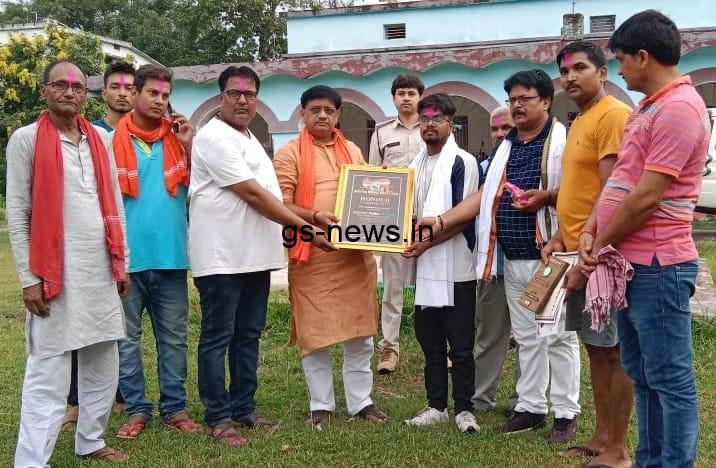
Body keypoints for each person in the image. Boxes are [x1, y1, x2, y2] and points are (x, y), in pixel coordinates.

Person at [582, 10, 709, 467]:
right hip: (633, 263)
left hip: (659, 264)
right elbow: (621, 180)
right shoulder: (649, 107)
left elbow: (647, 197)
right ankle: (651, 459)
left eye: (620, 60)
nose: (619, 69)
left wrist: (600, 243)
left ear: (642, 56)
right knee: (643, 372)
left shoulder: (679, 108)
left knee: (669, 379)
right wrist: (591, 229)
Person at [431, 70, 581, 440]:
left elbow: (583, 192)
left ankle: (566, 413)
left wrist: (546, 198)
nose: (516, 105)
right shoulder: (506, 147)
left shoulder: (564, 142)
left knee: (558, 336)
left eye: (524, 98)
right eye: (512, 99)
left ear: (546, 101)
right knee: (528, 337)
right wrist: (440, 222)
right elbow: (485, 196)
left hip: (554, 256)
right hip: (511, 259)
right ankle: (531, 407)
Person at [191, 67, 335, 446]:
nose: (243, 100)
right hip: (222, 258)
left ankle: (244, 408)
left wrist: (312, 217)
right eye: (235, 93)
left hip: (254, 257)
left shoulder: (250, 137)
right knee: (218, 337)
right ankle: (218, 417)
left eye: (250, 94)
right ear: (221, 97)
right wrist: (307, 231)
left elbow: (270, 196)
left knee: (248, 336)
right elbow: (254, 195)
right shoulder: (213, 137)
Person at [8, 60, 130, 465]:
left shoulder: (100, 138)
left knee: (104, 361)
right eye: (60, 85)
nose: (69, 92)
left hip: (100, 268)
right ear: (44, 91)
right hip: (53, 272)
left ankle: (90, 440)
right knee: (49, 367)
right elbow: (19, 213)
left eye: (77, 87)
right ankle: (31, 460)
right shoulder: (26, 139)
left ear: (85, 96)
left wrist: (122, 262)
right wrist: (29, 278)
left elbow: (115, 202)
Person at [273, 85, 388, 429]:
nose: (322, 115)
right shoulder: (289, 154)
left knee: (361, 334)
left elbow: (369, 195)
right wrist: (314, 218)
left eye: (329, 110)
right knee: (314, 336)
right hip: (312, 256)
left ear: (337, 115)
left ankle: (361, 401)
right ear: (303, 113)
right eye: (315, 109)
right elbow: (281, 204)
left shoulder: (352, 150)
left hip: (354, 258)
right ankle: (320, 404)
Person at [542, 41, 635, 463]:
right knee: (596, 348)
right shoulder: (581, 119)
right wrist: (560, 237)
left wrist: (589, 252)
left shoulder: (613, 115)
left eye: (580, 68)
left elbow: (613, 190)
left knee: (614, 351)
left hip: (602, 256)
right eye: (565, 71)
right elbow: (580, 190)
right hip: (577, 251)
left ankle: (618, 447)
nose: (570, 77)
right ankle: (600, 437)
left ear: (603, 72)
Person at [111, 64, 202, 440]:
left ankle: (174, 408)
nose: (160, 101)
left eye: (166, 95)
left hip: (171, 258)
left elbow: (204, 185)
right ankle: (136, 409)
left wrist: (189, 144)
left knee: (174, 340)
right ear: (135, 94)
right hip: (127, 262)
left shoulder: (178, 140)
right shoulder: (110, 142)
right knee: (126, 341)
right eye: (152, 93)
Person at [63, 60, 137, 431]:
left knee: (122, 330)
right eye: (116, 86)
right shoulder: (88, 135)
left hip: (139, 245)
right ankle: (76, 402)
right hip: (95, 246)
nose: (123, 93)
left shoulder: (148, 133)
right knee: (84, 322)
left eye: (130, 88)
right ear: (103, 91)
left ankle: (125, 396)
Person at [402, 93, 480, 433]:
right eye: (424, 119)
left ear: (451, 123)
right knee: (430, 342)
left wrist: (424, 244)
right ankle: (436, 405)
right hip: (424, 268)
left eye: (437, 119)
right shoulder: (413, 166)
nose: (429, 124)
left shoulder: (463, 162)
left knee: (460, 345)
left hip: (457, 266)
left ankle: (464, 408)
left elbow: (463, 217)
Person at [368, 73, 425, 374]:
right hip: (394, 217)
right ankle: (389, 348)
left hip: (428, 216)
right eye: (401, 93)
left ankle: (438, 346)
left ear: (420, 97)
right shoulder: (380, 133)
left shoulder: (431, 126)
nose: (406, 98)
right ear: (393, 98)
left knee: (431, 282)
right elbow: (372, 176)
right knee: (392, 285)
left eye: (411, 93)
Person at [472, 106, 521, 413]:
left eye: (507, 128)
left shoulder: (533, 163)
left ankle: (523, 401)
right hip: (493, 267)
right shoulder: (483, 169)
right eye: (495, 129)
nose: (500, 134)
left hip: (529, 265)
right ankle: (480, 399)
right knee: (489, 337)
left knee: (529, 339)